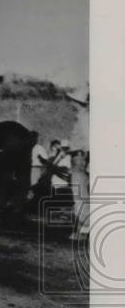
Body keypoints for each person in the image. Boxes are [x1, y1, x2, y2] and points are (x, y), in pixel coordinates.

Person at [66, 86, 89, 240]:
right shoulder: (83, 117)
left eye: (72, 100)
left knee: (80, 195)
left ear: (76, 101)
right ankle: (84, 230)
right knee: (82, 195)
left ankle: (83, 231)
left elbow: (88, 139)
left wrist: (86, 158)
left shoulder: (84, 118)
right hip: (80, 157)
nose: (70, 103)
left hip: (80, 157)